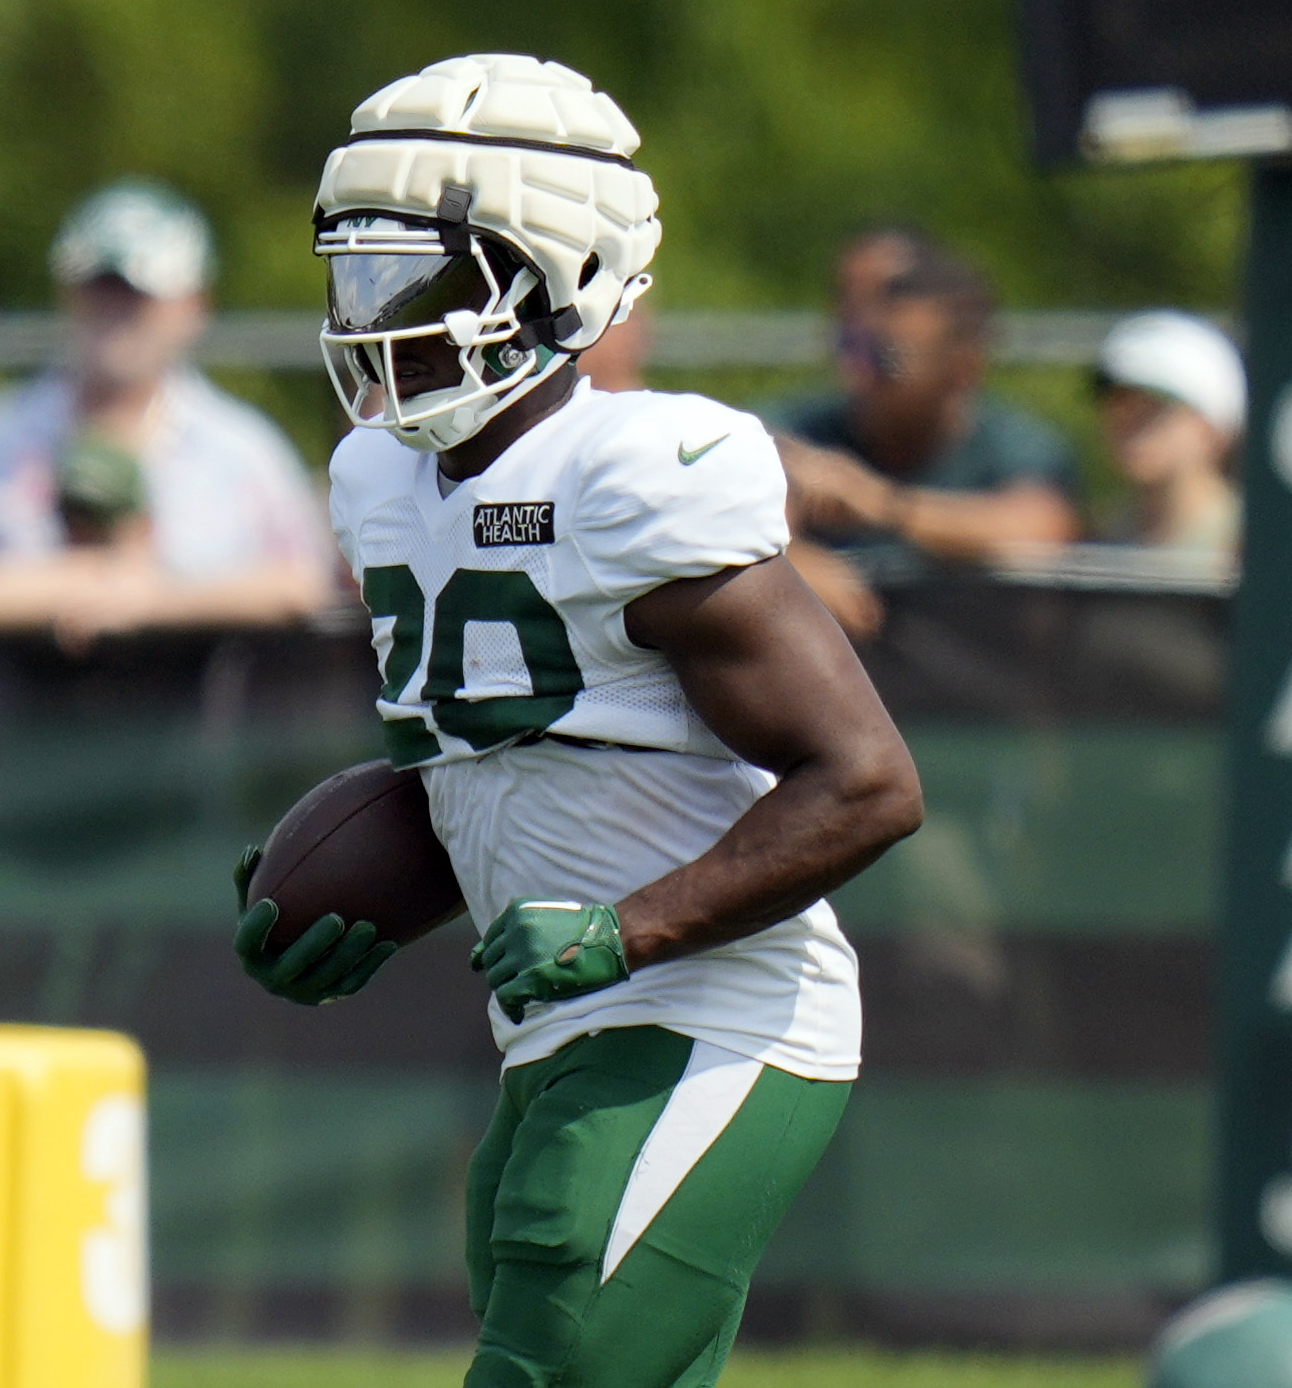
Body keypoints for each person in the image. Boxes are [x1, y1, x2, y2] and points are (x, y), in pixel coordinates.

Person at [231, 54, 923, 1388]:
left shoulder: (632, 474)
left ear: (562, 279)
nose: (378, 322)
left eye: (423, 280)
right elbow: (502, 756)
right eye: (361, 279)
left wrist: (628, 928)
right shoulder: (378, 479)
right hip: (557, 1029)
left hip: (717, 1014)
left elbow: (865, 781)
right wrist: (339, 888)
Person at [0, 181, 335, 650]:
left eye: (140, 294)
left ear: (194, 304)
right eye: (99, 288)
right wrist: (91, 587)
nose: (116, 312)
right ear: (65, 293)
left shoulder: (244, 453)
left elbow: (307, 586)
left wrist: (149, 600)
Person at [769, 228, 1082, 636]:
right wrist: (785, 564)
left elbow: (1040, 532)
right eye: (855, 345)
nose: (860, 369)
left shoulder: (1014, 445)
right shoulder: (802, 429)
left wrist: (882, 504)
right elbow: (723, 511)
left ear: (962, 367)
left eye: (889, 357)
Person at [1093, 310, 1244, 554]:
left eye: (1154, 409)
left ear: (1209, 427)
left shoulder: (1251, 545)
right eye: (1119, 402)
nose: (1130, 422)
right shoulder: (1105, 538)